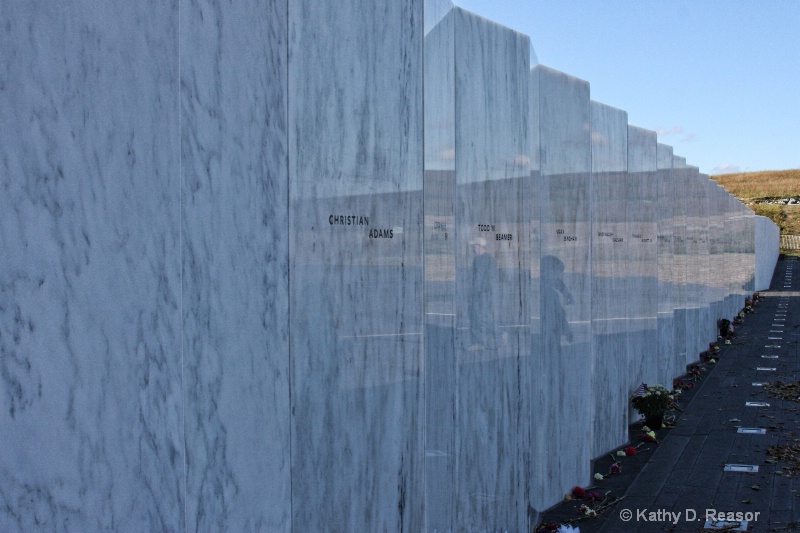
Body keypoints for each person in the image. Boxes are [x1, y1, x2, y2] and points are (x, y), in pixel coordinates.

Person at [467, 237, 497, 350]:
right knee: (474, 317)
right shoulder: (476, 259)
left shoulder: (489, 259)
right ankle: (477, 343)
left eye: (475, 245)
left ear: (480, 246)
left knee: (484, 318)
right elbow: (474, 278)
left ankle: (499, 334)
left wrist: (485, 292)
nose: (473, 248)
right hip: (475, 293)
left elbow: (491, 278)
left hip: (484, 294)